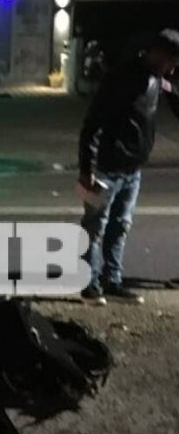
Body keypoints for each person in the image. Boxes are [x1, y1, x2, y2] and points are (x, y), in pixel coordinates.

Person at [78, 28, 179, 304]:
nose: (172, 69)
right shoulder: (120, 78)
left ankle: (113, 281)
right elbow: (92, 124)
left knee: (120, 227)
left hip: (133, 170)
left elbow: (174, 98)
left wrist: (170, 86)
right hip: (105, 168)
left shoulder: (157, 79)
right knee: (94, 227)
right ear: (157, 53)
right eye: (170, 62)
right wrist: (87, 170)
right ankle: (89, 284)